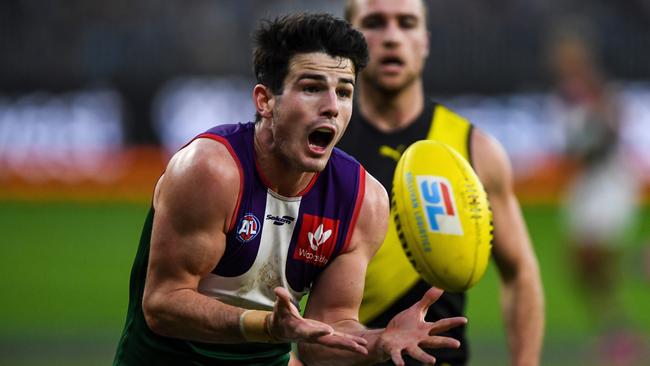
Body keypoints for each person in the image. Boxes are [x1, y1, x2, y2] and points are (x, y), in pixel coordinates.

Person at [112, 12, 467, 366]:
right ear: (265, 101)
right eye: (312, 88)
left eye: (344, 92)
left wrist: (379, 341)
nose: (331, 107)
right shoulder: (212, 171)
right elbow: (164, 304)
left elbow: (322, 337)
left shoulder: (361, 200)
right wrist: (268, 326)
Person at [337, 1, 545, 365]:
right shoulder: (323, 147)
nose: (391, 38)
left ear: (425, 41)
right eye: (374, 23)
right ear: (347, 42)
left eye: (407, 23)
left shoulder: (472, 148)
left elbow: (521, 273)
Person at [546, 25, 644, 364]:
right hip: (585, 183)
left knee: (592, 257)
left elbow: (609, 135)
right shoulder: (564, 95)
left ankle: (620, 330)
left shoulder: (598, 90)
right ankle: (617, 327)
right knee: (580, 266)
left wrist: (585, 147)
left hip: (608, 181)